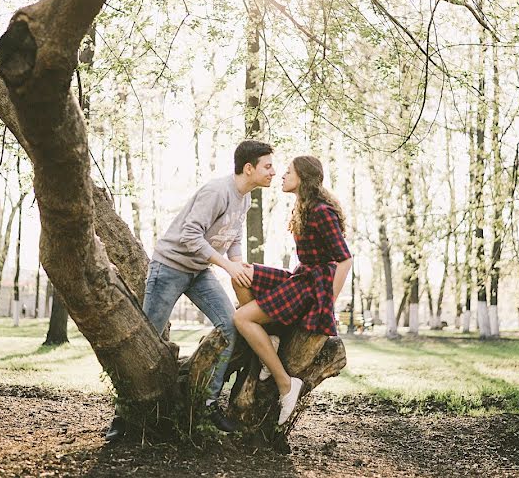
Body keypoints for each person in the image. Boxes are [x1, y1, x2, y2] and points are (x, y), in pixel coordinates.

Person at [104, 140, 276, 443]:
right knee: (147, 340)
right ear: (249, 168)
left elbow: (233, 237)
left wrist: (237, 263)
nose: (273, 172)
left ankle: (208, 406)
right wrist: (226, 266)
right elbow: (190, 234)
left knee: (229, 324)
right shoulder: (216, 191)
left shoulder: (244, 199)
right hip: (169, 268)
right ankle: (123, 415)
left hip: (199, 272)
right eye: (268, 166)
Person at [232, 156, 352, 425]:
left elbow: (344, 259)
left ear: (303, 177)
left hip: (313, 287)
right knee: (241, 276)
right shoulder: (303, 206)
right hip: (301, 277)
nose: (282, 176)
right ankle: (268, 338)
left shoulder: (321, 211)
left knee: (241, 318)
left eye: (288, 172)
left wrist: (328, 301)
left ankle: (286, 385)